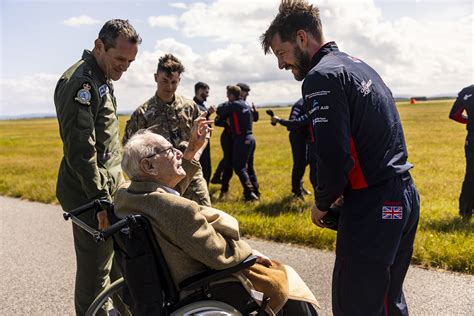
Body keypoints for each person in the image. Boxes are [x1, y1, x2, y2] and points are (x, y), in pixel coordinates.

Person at [261, 1, 420, 315]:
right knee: (388, 302)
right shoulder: (358, 65)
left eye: (282, 53)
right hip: (402, 197)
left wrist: (323, 201)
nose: (281, 64)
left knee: (355, 306)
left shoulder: (321, 77)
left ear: (302, 38)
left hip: (372, 207)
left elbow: (335, 154)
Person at [115, 116, 319, 315]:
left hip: (163, 286)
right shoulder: (179, 211)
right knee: (288, 283)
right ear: (148, 166)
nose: (178, 152)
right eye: (170, 150)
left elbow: (162, 197)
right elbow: (222, 256)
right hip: (204, 284)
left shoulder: (126, 197)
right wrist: (252, 253)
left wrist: (192, 152)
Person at [54, 19, 141, 315]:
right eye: (120, 59)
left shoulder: (101, 77)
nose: (124, 67)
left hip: (107, 190)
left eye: (130, 61)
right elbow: (81, 151)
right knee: (96, 274)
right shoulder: (81, 82)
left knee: (121, 266)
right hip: (90, 194)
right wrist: (99, 200)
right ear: (99, 46)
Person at [123, 53, 211, 207]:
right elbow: (129, 149)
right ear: (156, 77)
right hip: (161, 180)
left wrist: (196, 155)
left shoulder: (189, 107)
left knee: (204, 215)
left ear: (179, 81)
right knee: (167, 224)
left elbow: (205, 133)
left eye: (173, 82)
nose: (169, 87)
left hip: (191, 172)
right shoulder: (143, 113)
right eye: (164, 81)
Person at [216, 85, 260, 201]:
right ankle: (255, 190)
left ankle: (250, 193)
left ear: (231, 95)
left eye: (227, 95)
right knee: (248, 167)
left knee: (239, 167)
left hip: (240, 139)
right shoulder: (246, 105)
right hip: (250, 138)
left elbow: (219, 110)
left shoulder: (234, 105)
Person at [271, 98, 316, 199]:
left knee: (308, 160)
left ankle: (298, 185)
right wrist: (279, 120)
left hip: (307, 137)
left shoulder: (313, 101)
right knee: (300, 163)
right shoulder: (299, 105)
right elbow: (292, 124)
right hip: (298, 137)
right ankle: (296, 190)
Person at [449, 84, 474, 220]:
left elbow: (454, 115)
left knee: (471, 175)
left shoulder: (467, 91)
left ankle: (465, 211)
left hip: (472, 138)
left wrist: (470, 121)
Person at [193, 81, 215, 185]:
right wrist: (209, 113)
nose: (207, 94)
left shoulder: (202, 105)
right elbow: (196, 120)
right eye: (206, 92)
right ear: (200, 91)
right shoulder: (194, 105)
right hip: (198, 142)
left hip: (205, 141)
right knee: (203, 167)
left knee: (207, 168)